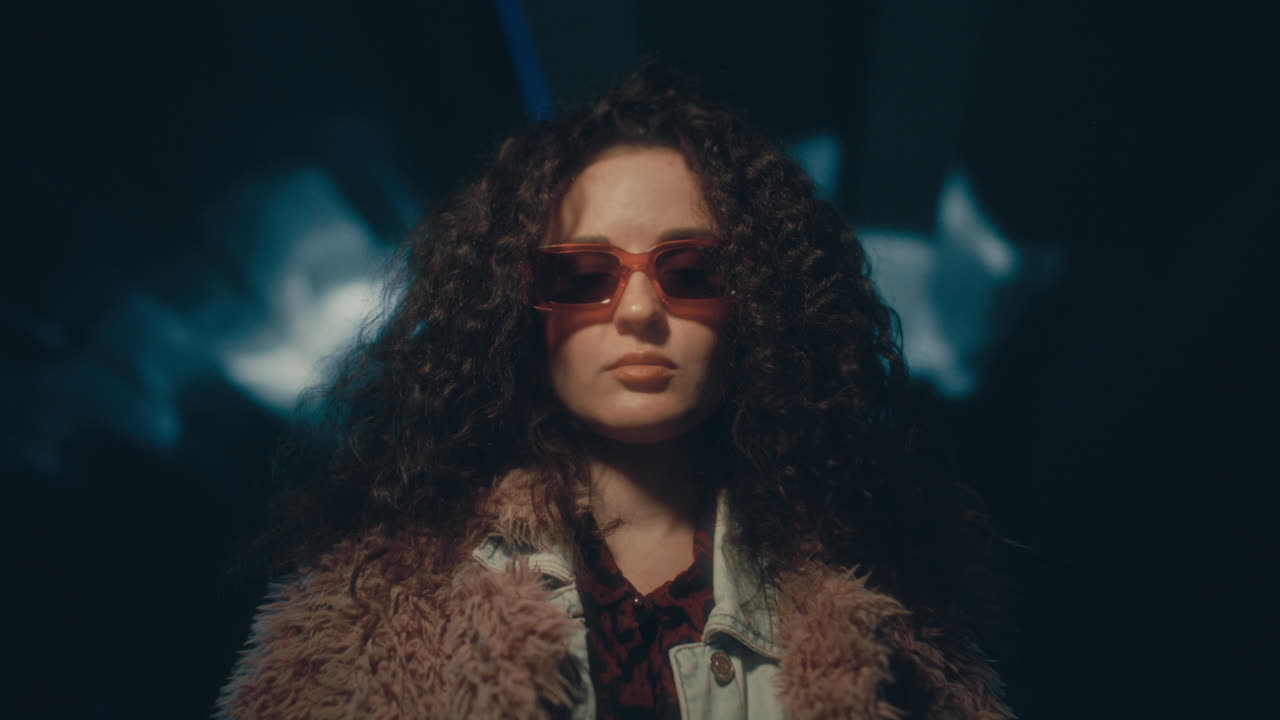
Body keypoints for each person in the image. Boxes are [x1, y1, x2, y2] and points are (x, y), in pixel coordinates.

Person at [215, 66, 1015, 720]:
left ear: (760, 309)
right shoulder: (366, 615)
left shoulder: (892, 615)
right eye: (581, 275)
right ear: (518, 312)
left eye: (693, 270)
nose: (638, 311)